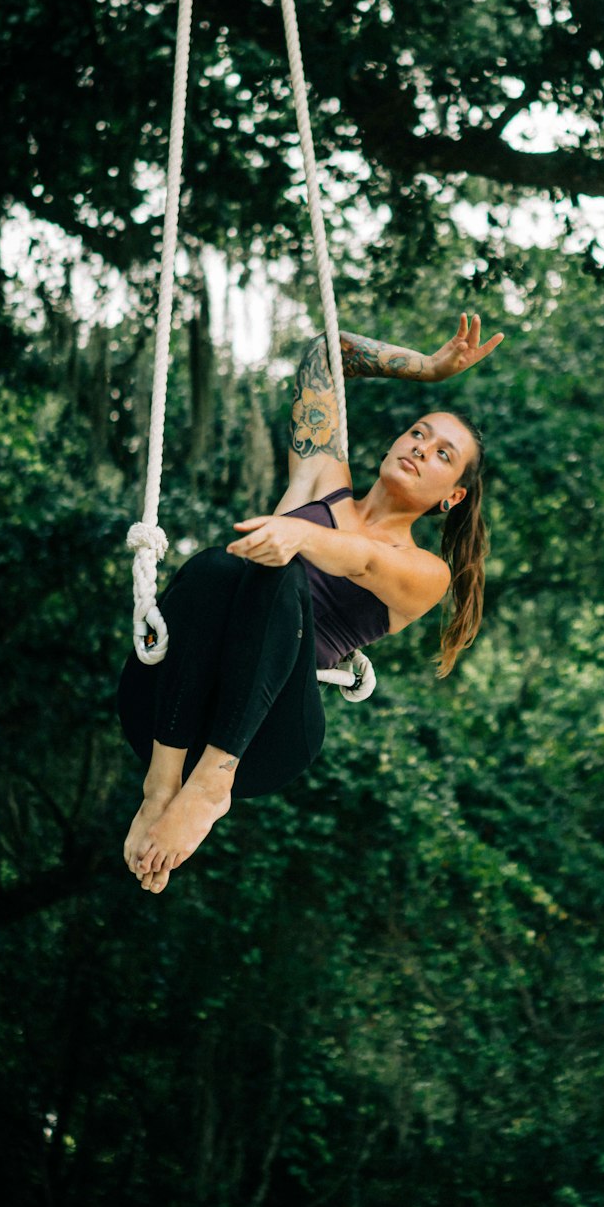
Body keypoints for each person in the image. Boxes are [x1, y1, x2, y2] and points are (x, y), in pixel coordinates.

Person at [118, 312, 502, 894]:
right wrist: (425, 367)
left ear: (453, 497)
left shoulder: (428, 573)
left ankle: (209, 786)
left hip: (269, 735)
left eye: (444, 454)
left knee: (279, 577)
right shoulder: (322, 476)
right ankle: (163, 780)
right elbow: (326, 352)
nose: (422, 448)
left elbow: (365, 561)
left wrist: (300, 536)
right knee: (221, 566)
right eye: (419, 432)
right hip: (172, 701)